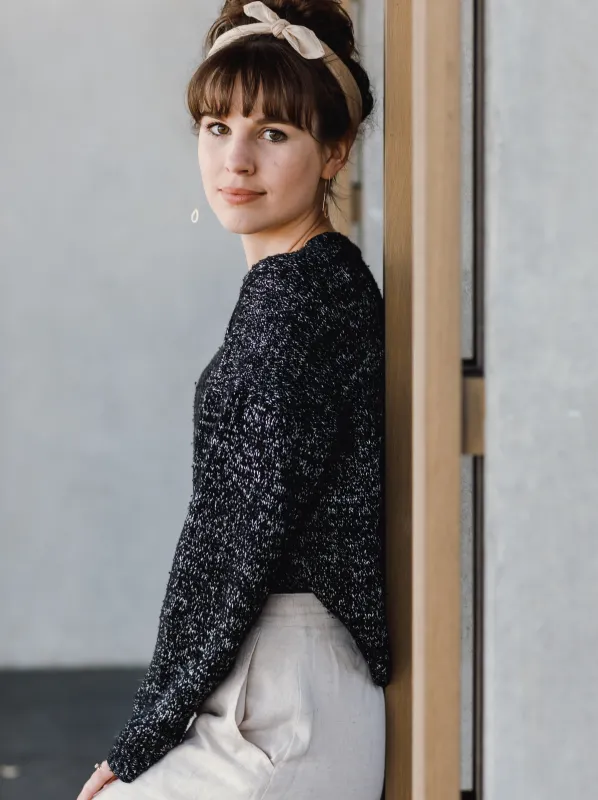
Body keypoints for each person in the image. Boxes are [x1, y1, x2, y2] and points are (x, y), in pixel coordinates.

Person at [75, 1, 390, 797]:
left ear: (335, 152)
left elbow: (232, 539)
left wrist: (142, 736)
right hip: (277, 682)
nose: (235, 161)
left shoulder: (297, 303)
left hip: (282, 706)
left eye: (274, 134)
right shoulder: (309, 280)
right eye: (218, 128)